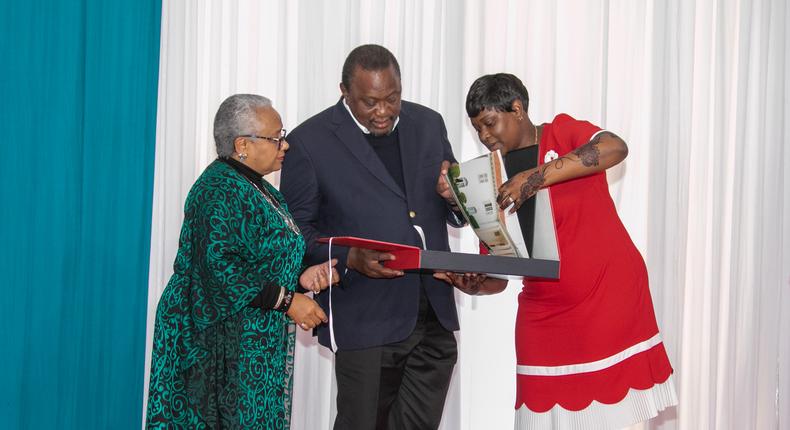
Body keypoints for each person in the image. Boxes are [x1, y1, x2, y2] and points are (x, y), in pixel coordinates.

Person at [436, 73, 678, 429]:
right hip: (543, 310)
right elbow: (497, 277)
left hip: (606, 296)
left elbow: (615, 147)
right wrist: (473, 283)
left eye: (490, 124)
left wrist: (532, 178)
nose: (485, 136)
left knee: (607, 421)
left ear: (517, 109)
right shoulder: (488, 174)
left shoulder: (561, 133)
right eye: (478, 129)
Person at [279, 44, 465, 430]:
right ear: (344, 91)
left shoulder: (429, 124)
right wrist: (350, 259)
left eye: (392, 98)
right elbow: (295, 238)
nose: (383, 111)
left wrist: (457, 198)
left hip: (434, 318)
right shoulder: (309, 142)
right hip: (364, 319)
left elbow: (454, 212)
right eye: (370, 102)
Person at [146, 94, 339, 429]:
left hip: (250, 338)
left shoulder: (259, 188)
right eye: (277, 137)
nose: (286, 145)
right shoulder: (217, 188)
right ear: (242, 145)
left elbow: (260, 259)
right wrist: (289, 302)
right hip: (215, 344)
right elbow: (219, 267)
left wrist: (301, 279)